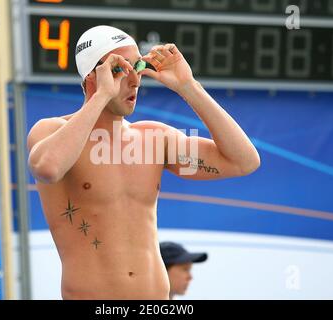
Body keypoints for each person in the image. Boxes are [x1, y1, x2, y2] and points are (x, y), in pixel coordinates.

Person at [27, 25, 260, 300]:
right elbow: (48, 168)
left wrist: (189, 87)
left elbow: (243, 161)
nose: (136, 80)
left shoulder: (152, 139)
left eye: (137, 66)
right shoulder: (52, 131)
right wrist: (101, 95)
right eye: (121, 69)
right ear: (92, 76)